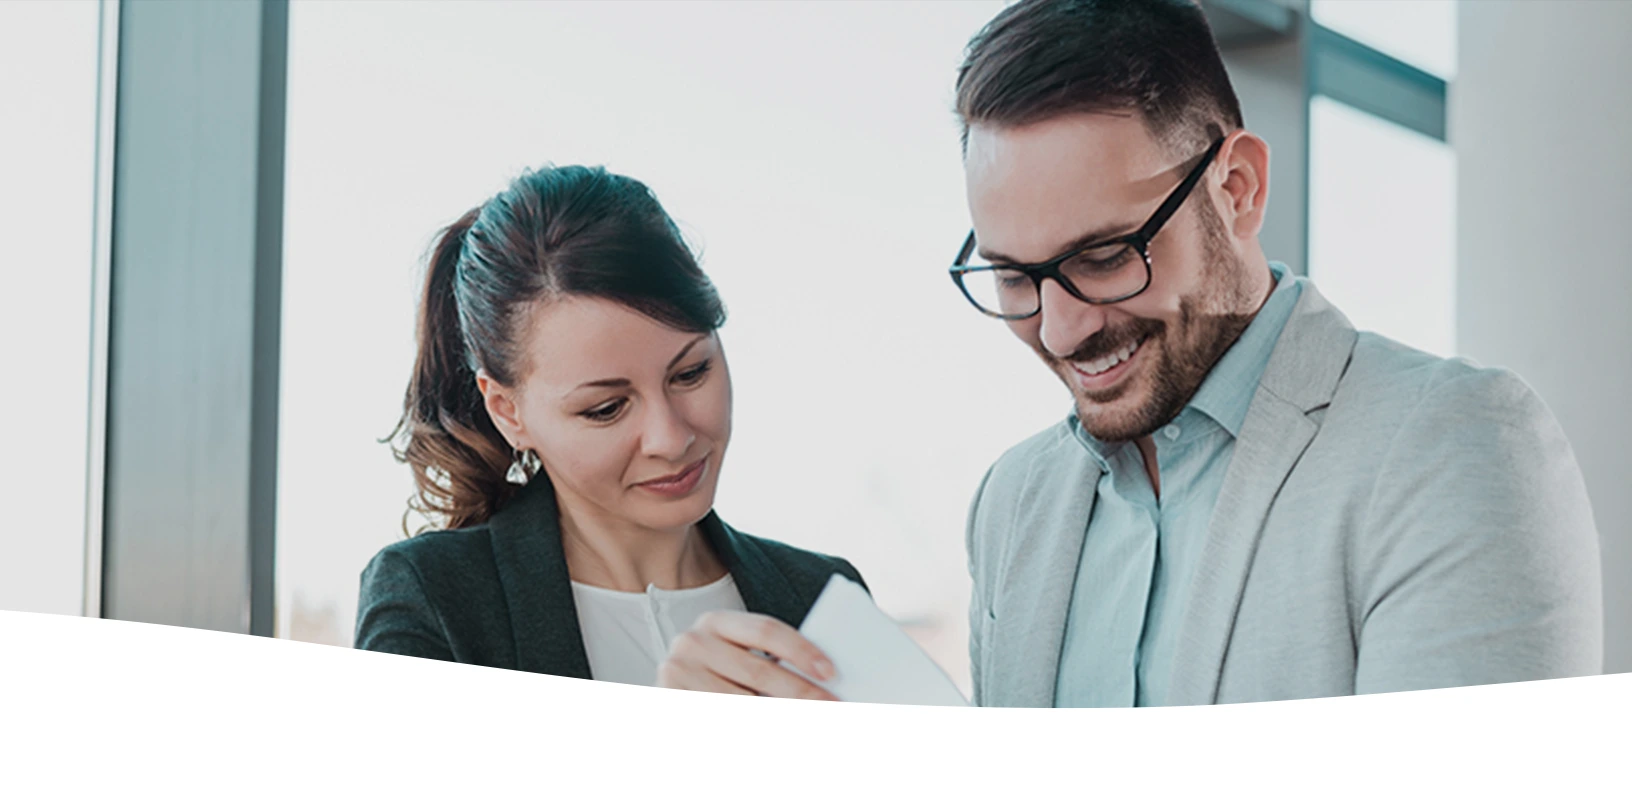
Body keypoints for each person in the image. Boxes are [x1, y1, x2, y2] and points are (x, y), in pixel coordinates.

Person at [658, 0, 1602, 705]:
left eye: (1106, 256)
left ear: (1235, 187)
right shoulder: (1015, 506)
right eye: (1017, 277)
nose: (1064, 330)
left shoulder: (1456, 448)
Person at [355, 165, 861, 695]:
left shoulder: (824, 594)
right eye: (606, 408)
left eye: (691, 373)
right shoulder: (434, 599)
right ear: (508, 412)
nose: (671, 438)